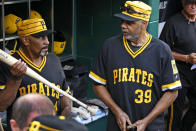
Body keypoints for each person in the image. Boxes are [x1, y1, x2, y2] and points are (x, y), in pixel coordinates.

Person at [89, 1, 181, 131]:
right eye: (122, 21)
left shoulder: (162, 50)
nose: (123, 26)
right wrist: (117, 111)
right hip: (118, 124)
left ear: (144, 23)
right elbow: (97, 84)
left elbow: (172, 92)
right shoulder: (109, 46)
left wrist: (146, 120)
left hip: (152, 126)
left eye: (129, 22)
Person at [0, 18, 71, 130]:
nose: (47, 42)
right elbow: (1, 106)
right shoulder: (9, 64)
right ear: (26, 40)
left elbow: (63, 93)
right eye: (40, 37)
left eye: (46, 36)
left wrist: (67, 107)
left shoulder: (54, 60)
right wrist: (15, 79)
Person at [159, 0, 196, 131]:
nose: (193, 6)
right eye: (190, 3)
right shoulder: (173, 22)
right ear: (183, 3)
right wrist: (186, 58)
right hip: (179, 74)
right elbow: (163, 50)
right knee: (175, 113)